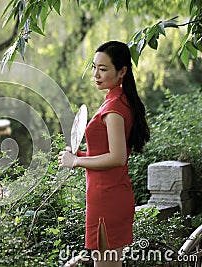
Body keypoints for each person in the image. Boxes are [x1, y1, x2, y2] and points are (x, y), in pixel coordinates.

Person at [58, 41, 150, 267]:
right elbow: (106, 151)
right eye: (94, 67)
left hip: (108, 197)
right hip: (105, 193)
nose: (96, 74)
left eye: (103, 69)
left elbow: (117, 157)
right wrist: (81, 153)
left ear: (122, 72)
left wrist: (77, 161)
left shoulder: (114, 108)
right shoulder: (114, 100)